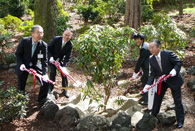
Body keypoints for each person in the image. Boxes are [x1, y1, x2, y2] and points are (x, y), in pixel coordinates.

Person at [145, 39, 185, 128]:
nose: (151, 50)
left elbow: (178, 62)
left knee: (177, 101)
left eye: (153, 47)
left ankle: (180, 121)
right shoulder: (151, 59)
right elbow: (153, 73)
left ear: (159, 47)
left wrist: (175, 70)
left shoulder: (168, 54)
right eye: (149, 48)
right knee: (157, 99)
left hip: (174, 80)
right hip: (162, 81)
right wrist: (148, 85)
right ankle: (153, 117)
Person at [15, 25, 49, 104]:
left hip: (35, 64)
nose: (40, 35)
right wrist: (21, 64)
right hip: (24, 64)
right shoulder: (24, 41)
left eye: (41, 33)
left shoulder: (43, 45)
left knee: (46, 81)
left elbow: (44, 60)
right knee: (21, 84)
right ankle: (20, 102)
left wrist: (45, 74)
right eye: (38, 33)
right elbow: (18, 54)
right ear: (32, 33)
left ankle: (41, 99)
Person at [48, 29, 73, 98]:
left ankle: (65, 90)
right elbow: (48, 48)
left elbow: (68, 57)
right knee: (53, 72)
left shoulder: (70, 45)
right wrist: (50, 57)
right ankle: (50, 88)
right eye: (66, 34)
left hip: (60, 61)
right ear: (63, 34)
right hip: (52, 59)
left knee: (64, 74)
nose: (67, 37)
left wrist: (64, 66)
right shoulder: (56, 39)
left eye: (69, 35)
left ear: (71, 36)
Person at [132, 33, 151, 105]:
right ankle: (146, 97)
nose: (136, 41)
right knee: (144, 80)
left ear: (142, 40)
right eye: (135, 39)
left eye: (138, 39)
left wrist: (135, 72)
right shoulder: (145, 45)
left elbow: (140, 61)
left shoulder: (143, 48)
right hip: (149, 68)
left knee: (146, 82)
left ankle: (147, 101)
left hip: (148, 69)